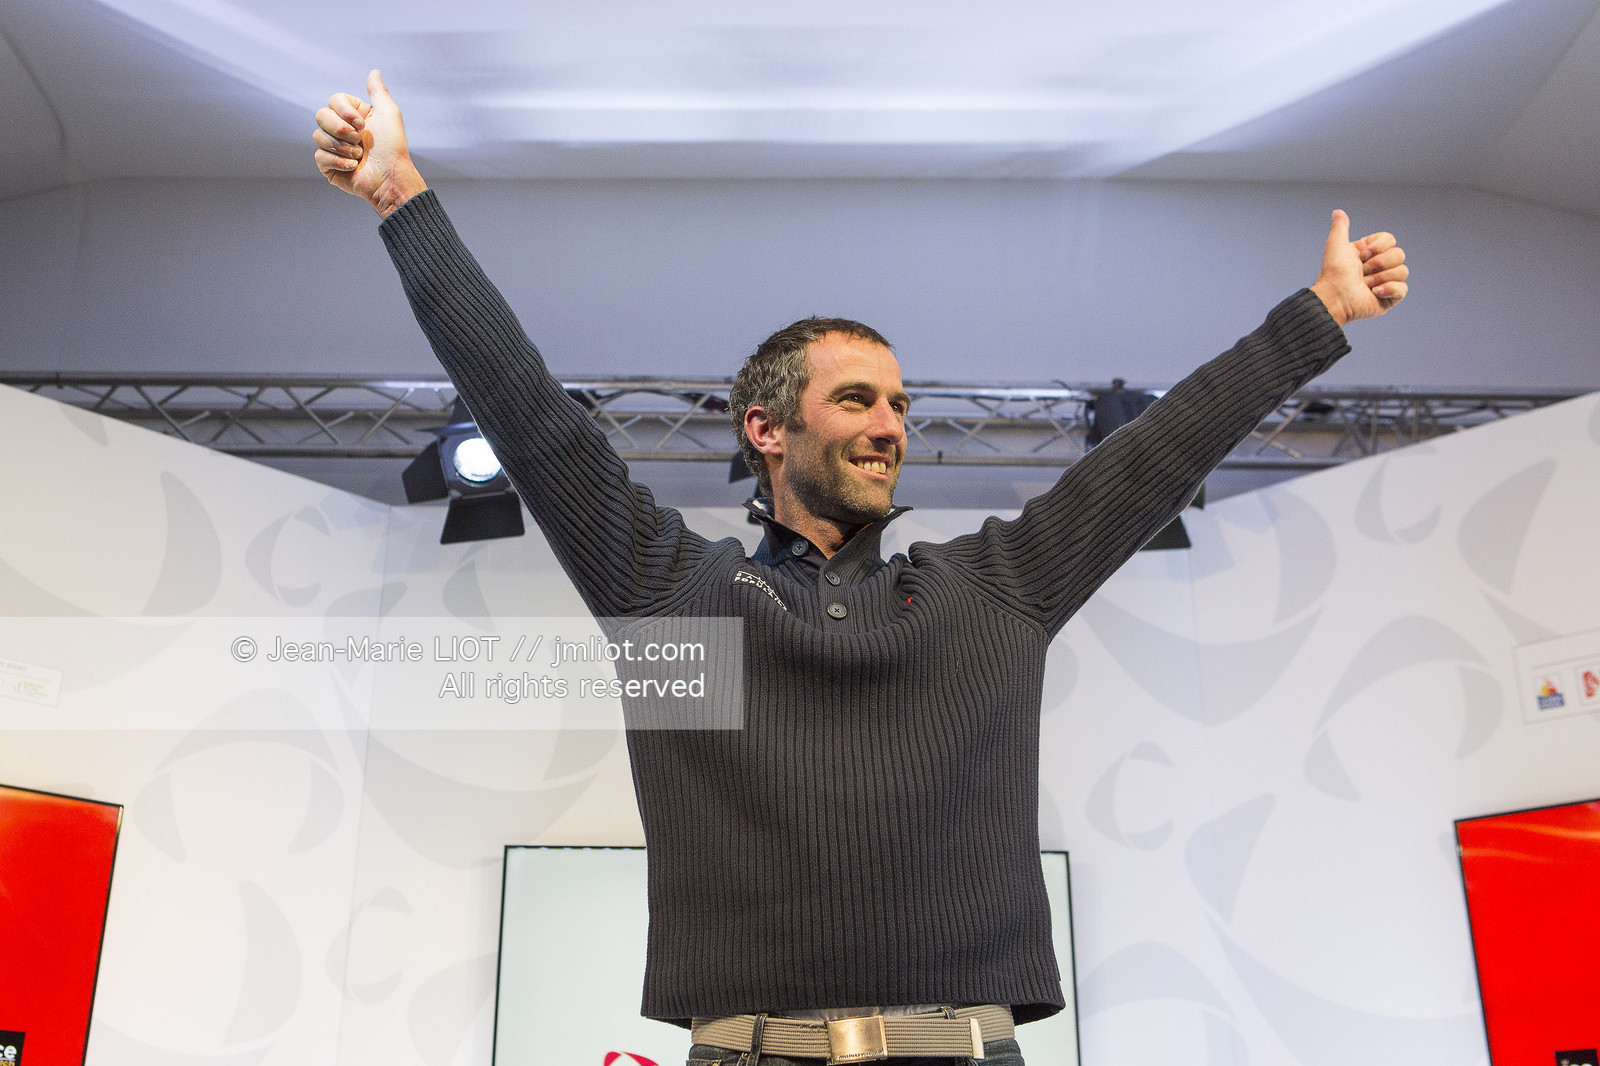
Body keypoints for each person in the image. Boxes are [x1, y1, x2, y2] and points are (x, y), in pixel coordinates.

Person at [314, 71, 1408, 1066]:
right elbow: (531, 417)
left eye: (899, 405)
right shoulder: (672, 597)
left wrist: (1316, 320)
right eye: (856, 399)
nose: (889, 425)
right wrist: (402, 197)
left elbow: (1155, 454)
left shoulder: (993, 588)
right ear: (767, 428)